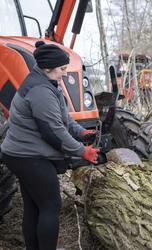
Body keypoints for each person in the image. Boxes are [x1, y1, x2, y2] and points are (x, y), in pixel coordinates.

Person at [1, 41, 99, 250]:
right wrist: (82, 151)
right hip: (27, 156)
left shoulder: (49, 83)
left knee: (35, 206)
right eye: (62, 69)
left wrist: (81, 132)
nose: (65, 73)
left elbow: (63, 118)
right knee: (51, 205)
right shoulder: (40, 91)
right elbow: (53, 131)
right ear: (48, 68)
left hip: (21, 153)